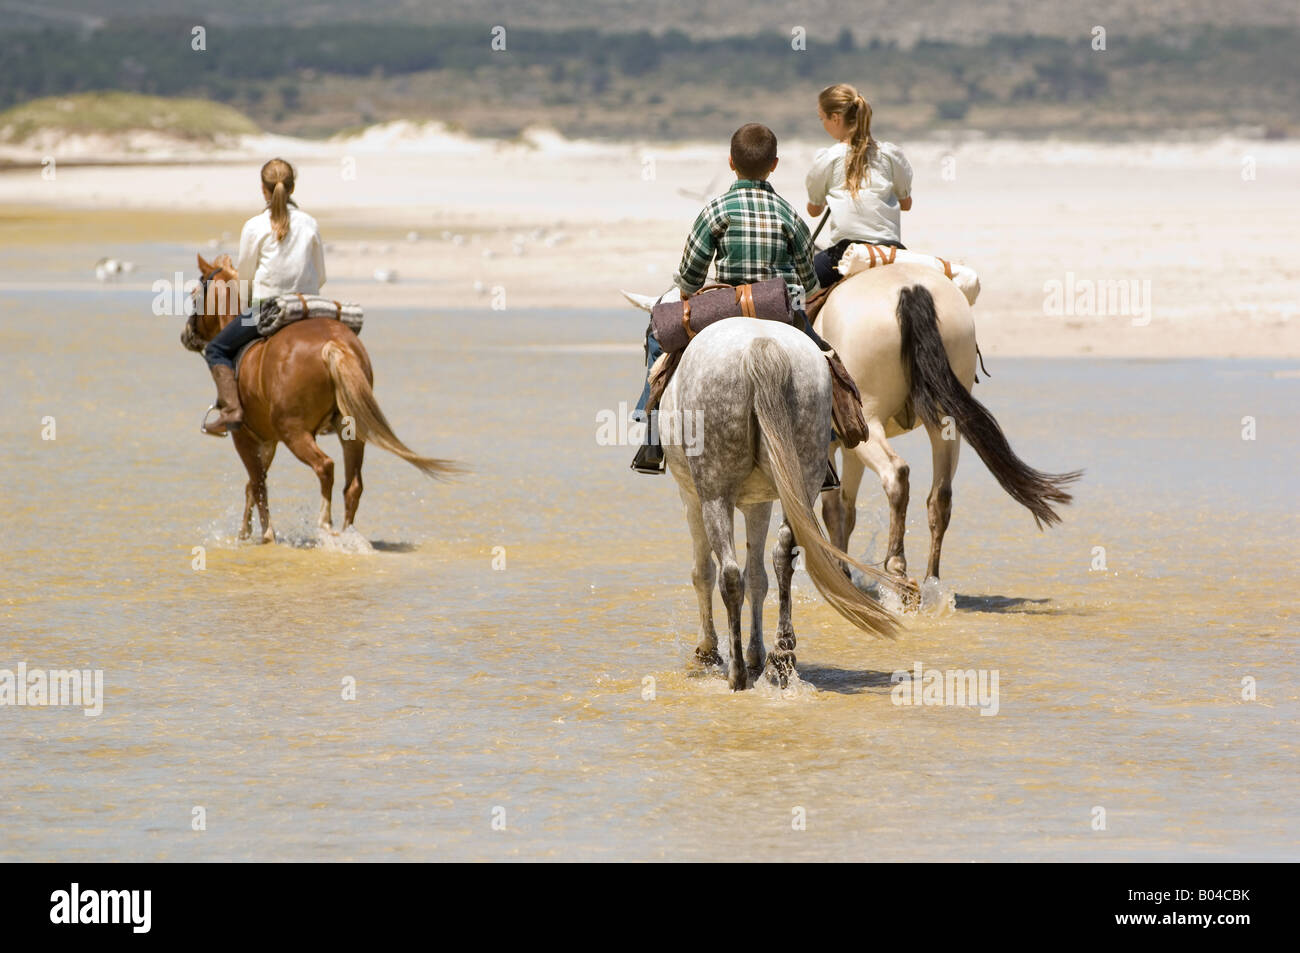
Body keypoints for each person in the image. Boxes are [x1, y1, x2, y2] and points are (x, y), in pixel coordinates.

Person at [632, 123, 849, 489]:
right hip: (780, 308)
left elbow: (690, 279)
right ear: (774, 165)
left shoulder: (716, 210)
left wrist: (688, 292)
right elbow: (810, 286)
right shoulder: (789, 214)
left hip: (724, 305)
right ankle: (823, 450)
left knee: (658, 337)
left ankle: (652, 441)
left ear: (731, 163)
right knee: (825, 360)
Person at [201, 158, 326, 435]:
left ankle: (231, 412)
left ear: (263, 188)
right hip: (309, 307)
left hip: (266, 309)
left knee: (216, 349)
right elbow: (321, 277)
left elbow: (245, 281)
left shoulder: (255, 226)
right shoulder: (310, 223)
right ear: (292, 188)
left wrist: (244, 296)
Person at [805, 84, 912, 290]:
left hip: (844, 253)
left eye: (822, 119)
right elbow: (906, 204)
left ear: (835, 118)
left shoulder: (827, 158)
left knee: (797, 290)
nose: (823, 124)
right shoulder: (891, 155)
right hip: (891, 250)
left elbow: (813, 210)